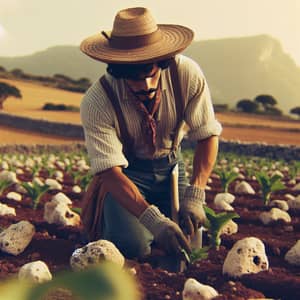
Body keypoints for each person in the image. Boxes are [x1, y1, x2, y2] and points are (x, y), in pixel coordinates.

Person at [79, 7, 222, 261]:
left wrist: (196, 193)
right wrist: (154, 221)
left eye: (150, 73)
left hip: (171, 169)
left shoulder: (186, 75)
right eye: (134, 77)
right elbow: (110, 172)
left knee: (193, 235)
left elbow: (207, 134)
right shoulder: (98, 100)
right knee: (130, 246)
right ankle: (111, 224)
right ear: (117, 68)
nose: (145, 85)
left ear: (162, 60)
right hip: (128, 175)